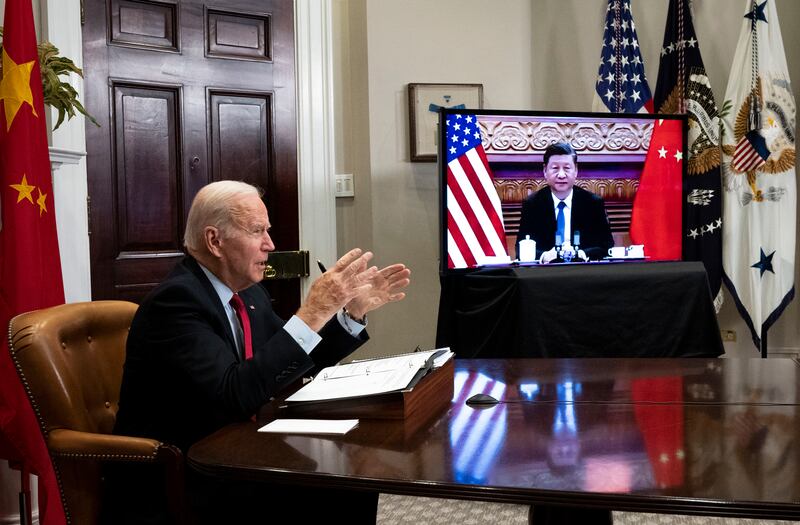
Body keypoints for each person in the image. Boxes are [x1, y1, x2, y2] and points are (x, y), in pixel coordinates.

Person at [106, 180, 410, 524]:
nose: (270, 244)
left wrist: (348, 315)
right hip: (184, 471)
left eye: (267, 230)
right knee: (335, 487)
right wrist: (312, 312)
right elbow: (235, 393)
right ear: (214, 241)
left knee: (350, 477)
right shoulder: (176, 303)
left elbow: (288, 363)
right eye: (257, 231)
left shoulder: (250, 294)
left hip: (238, 448)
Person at [515, 142, 614, 263]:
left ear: (576, 171)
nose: (561, 175)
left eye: (567, 168)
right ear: (545, 170)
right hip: (546, 273)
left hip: (583, 271)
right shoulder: (533, 204)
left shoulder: (592, 203)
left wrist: (581, 254)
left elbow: (606, 246)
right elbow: (521, 248)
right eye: (555, 168)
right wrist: (545, 256)